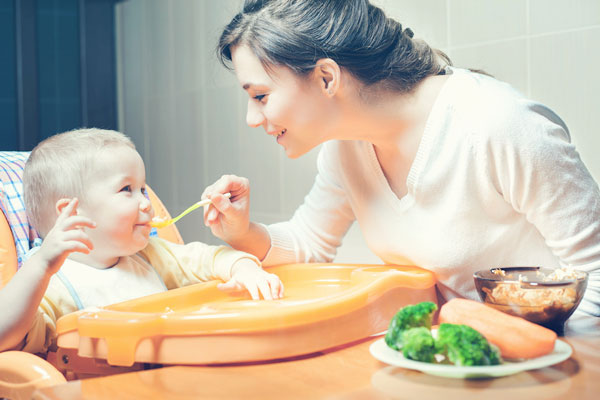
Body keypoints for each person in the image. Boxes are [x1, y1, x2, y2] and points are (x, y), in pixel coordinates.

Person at [201, 0, 600, 317]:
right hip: (457, 366)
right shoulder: (346, 148)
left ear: (327, 77)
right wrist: (241, 230)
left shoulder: (498, 126)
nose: (252, 119)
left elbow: (596, 279)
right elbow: (308, 244)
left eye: (260, 96)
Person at [0, 128, 283, 354]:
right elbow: (7, 336)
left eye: (143, 190)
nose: (146, 204)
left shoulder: (151, 255)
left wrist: (244, 269)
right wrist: (40, 266)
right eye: (127, 189)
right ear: (72, 212)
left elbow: (209, 259)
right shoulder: (51, 287)